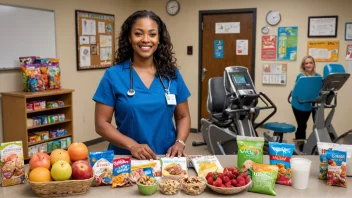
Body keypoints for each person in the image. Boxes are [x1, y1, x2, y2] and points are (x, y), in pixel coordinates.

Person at [93, 10, 191, 160]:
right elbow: (101, 123)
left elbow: (183, 116)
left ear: (159, 39)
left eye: (152, 34)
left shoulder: (172, 75)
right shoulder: (113, 75)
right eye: (138, 33)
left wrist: (180, 143)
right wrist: (132, 145)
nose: (146, 39)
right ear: (129, 38)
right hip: (126, 157)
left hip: (165, 156)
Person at [292, 55, 321, 149]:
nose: (308, 65)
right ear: (303, 65)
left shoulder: (318, 76)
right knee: (302, 125)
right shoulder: (301, 76)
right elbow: (297, 90)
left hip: (312, 104)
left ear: (313, 64)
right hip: (299, 104)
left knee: (317, 125)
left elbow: (320, 90)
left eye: (310, 62)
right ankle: (300, 148)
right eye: (306, 63)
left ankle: (316, 146)